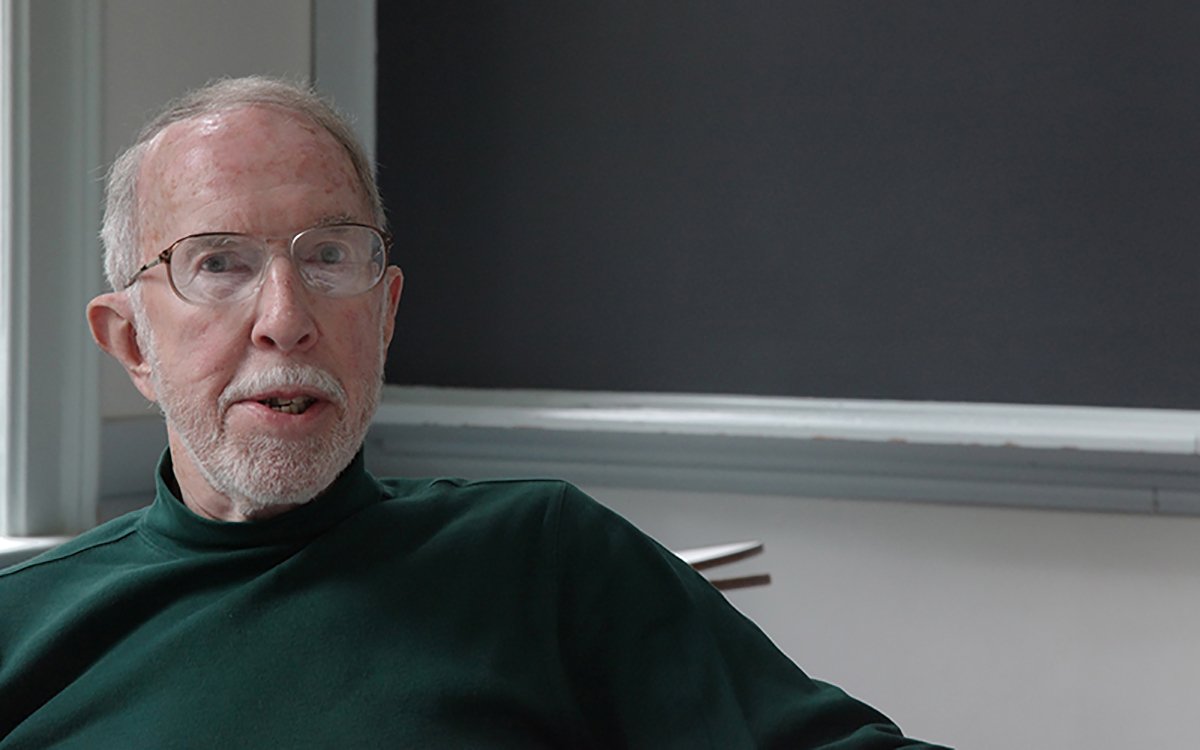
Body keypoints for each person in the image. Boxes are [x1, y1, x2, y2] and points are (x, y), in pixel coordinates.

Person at [0, 77, 947, 748]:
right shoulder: (25, 625)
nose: (286, 321)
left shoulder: (542, 557)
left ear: (386, 311)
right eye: (218, 263)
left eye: (330, 256)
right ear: (130, 343)